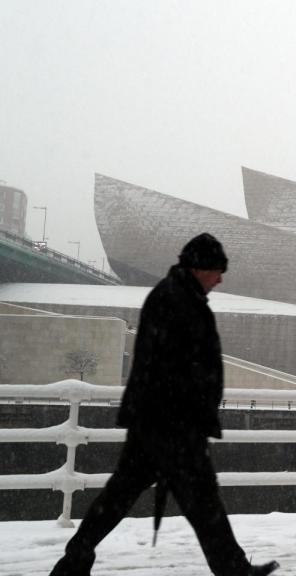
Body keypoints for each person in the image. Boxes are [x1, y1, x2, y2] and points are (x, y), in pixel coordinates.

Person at [50, 233, 279, 576]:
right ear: (200, 267)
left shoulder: (175, 296)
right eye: (217, 270)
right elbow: (174, 366)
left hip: (160, 422)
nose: (220, 278)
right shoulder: (176, 299)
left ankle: (76, 557)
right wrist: (189, 412)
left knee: (124, 495)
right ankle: (233, 570)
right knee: (200, 502)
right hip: (173, 425)